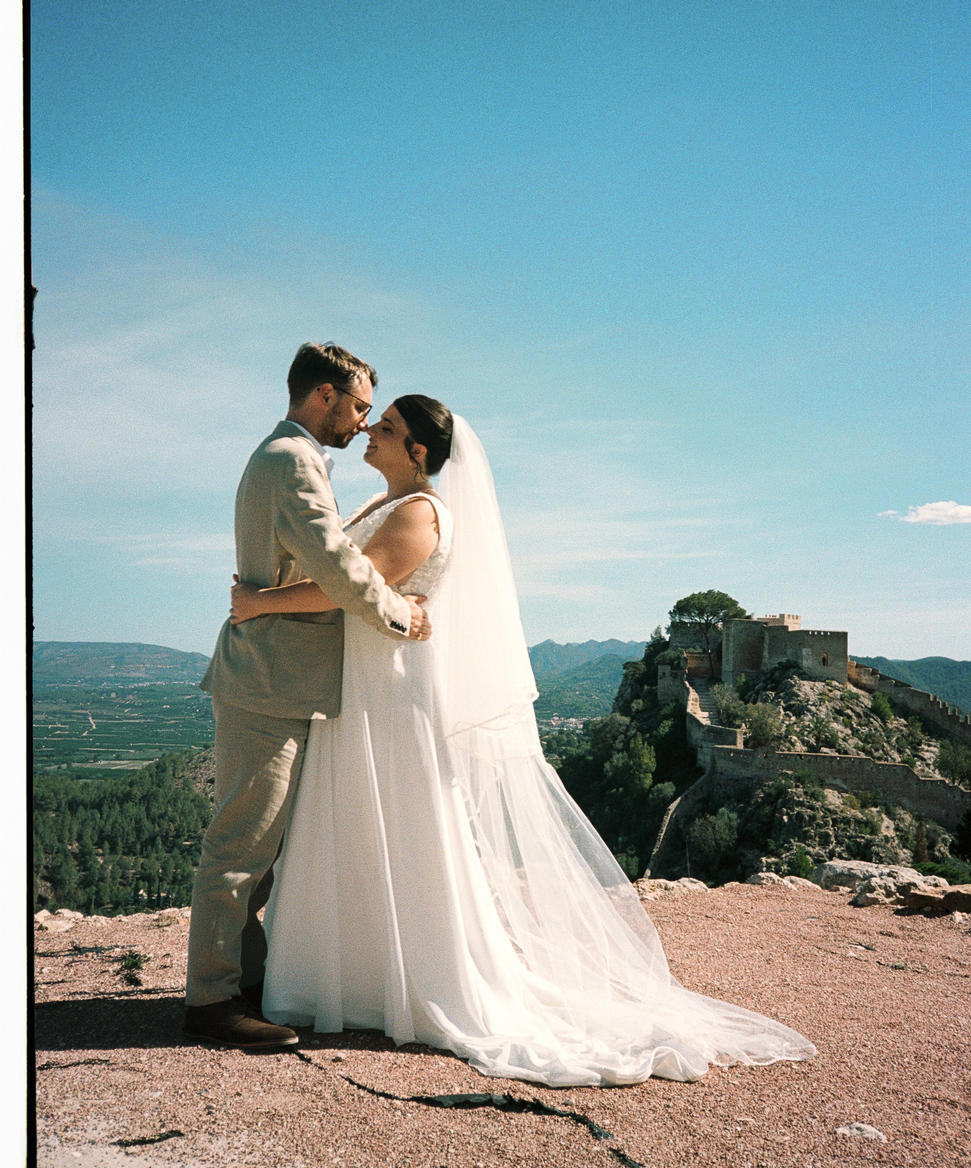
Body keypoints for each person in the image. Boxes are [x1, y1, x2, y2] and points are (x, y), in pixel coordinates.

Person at [229, 398, 817, 1086]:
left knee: (401, 822)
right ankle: (350, 973)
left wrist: (259, 603)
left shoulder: (420, 513)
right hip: (357, 686)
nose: (370, 431)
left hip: (388, 693)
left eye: (385, 427)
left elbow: (342, 589)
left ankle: (409, 978)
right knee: (355, 821)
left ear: (418, 451)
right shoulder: (380, 502)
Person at [183, 343, 432, 1052]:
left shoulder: (290, 457)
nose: (359, 424)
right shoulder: (292, 461)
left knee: (259, 851)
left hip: (279, 678)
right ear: (323, 395)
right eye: (356, 407)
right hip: (266, 681)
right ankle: (211, 1000)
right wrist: (398, 615)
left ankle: (247, 984)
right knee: (239, 848)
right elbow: (339, 563)